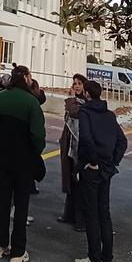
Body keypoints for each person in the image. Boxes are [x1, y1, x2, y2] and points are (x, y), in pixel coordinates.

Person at [0, 65, 45, 262]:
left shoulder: (1, 97)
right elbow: (38, 136)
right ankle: (18, 252)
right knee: (21, 207)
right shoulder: (32, 103)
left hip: (3, 160)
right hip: (24, 162)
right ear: (27, 78)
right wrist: (35, 152)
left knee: (2, 203)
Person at [73, 80, 128, 262]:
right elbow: (122, 141)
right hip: (107, 169)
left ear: (87, 93)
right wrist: (112, 162)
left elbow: (86, 138)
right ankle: (107, 259)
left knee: (91, 212)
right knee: (104, 211)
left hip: (92, 168)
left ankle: (94, 258)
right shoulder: (109, 116)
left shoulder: (86, 113)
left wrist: (93, 161)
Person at [58, 74, 88, 229]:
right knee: (71, 179)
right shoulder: (76, 101)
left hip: (80, 146)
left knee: (79, 181)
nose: (76, 86)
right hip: (70, 145)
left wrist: (70, 99)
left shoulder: (84, 103)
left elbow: (75, 112)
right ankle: (69, 214)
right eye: (74, 83)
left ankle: (80, 219)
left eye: (79, 83)